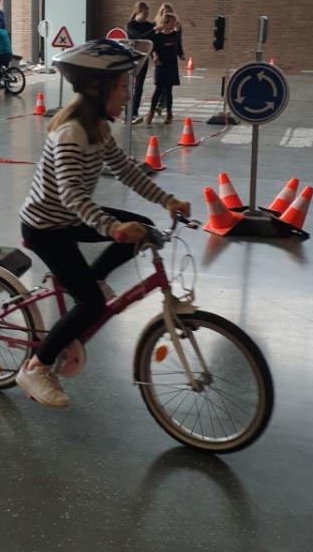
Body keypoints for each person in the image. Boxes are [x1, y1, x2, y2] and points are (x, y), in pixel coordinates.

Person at [17, 38, 191, 409]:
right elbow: (72, 196)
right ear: (97, 89)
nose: (128, 94)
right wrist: (111, 227)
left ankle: (91, 281)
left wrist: (167, 200)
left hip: (69, 219)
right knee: (93, 305)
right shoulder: (71, 133)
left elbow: (126, 171)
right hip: (46, 228)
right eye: (123, 86)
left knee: (143, 227)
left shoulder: (98, 126)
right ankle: (37, 367)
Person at [145, 13, 184, 125]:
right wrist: (154, 56)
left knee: (168, 91)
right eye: (172, 22)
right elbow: (151, 46)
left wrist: (181, 54)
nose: (174, 24)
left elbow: (179, 46)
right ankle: (151, 112)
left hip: (172, 66)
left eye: (175, 22)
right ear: (165, 23)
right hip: (161, 66)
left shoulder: (175, 34)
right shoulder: (157, 36)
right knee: (158, 89)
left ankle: (169, 114)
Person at [125, 1, 155, 124]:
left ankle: (135, 113)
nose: (147, 15)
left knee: (139, 87)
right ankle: (127, 115)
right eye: (144, 13)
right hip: (131, 58)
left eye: (148, 13)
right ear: (137, 12)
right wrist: (153, 29)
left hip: (143, 59)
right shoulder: (130, 25)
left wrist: (154, 55)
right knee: (129, 87)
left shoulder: (149, 25)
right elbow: (140, 37)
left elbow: (152, 42)